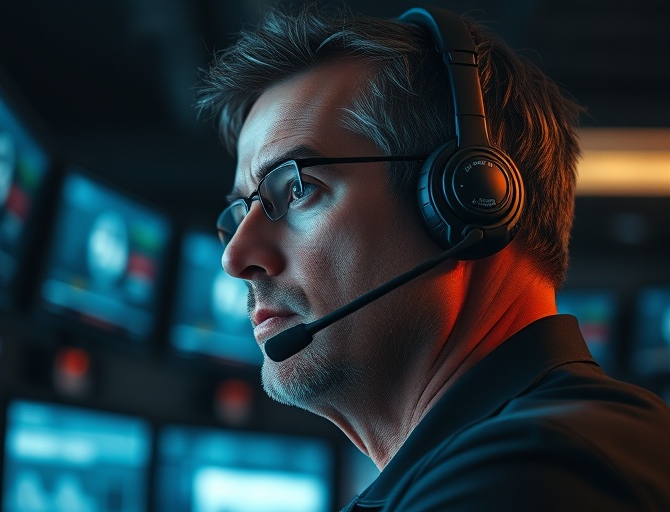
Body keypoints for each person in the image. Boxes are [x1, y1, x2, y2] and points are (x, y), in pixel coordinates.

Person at [195, 4, 670, 511]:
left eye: (296, 189)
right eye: (237, 213)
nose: (236, 256)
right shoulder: (483, 458)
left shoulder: (533, 470)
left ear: (466, 199)